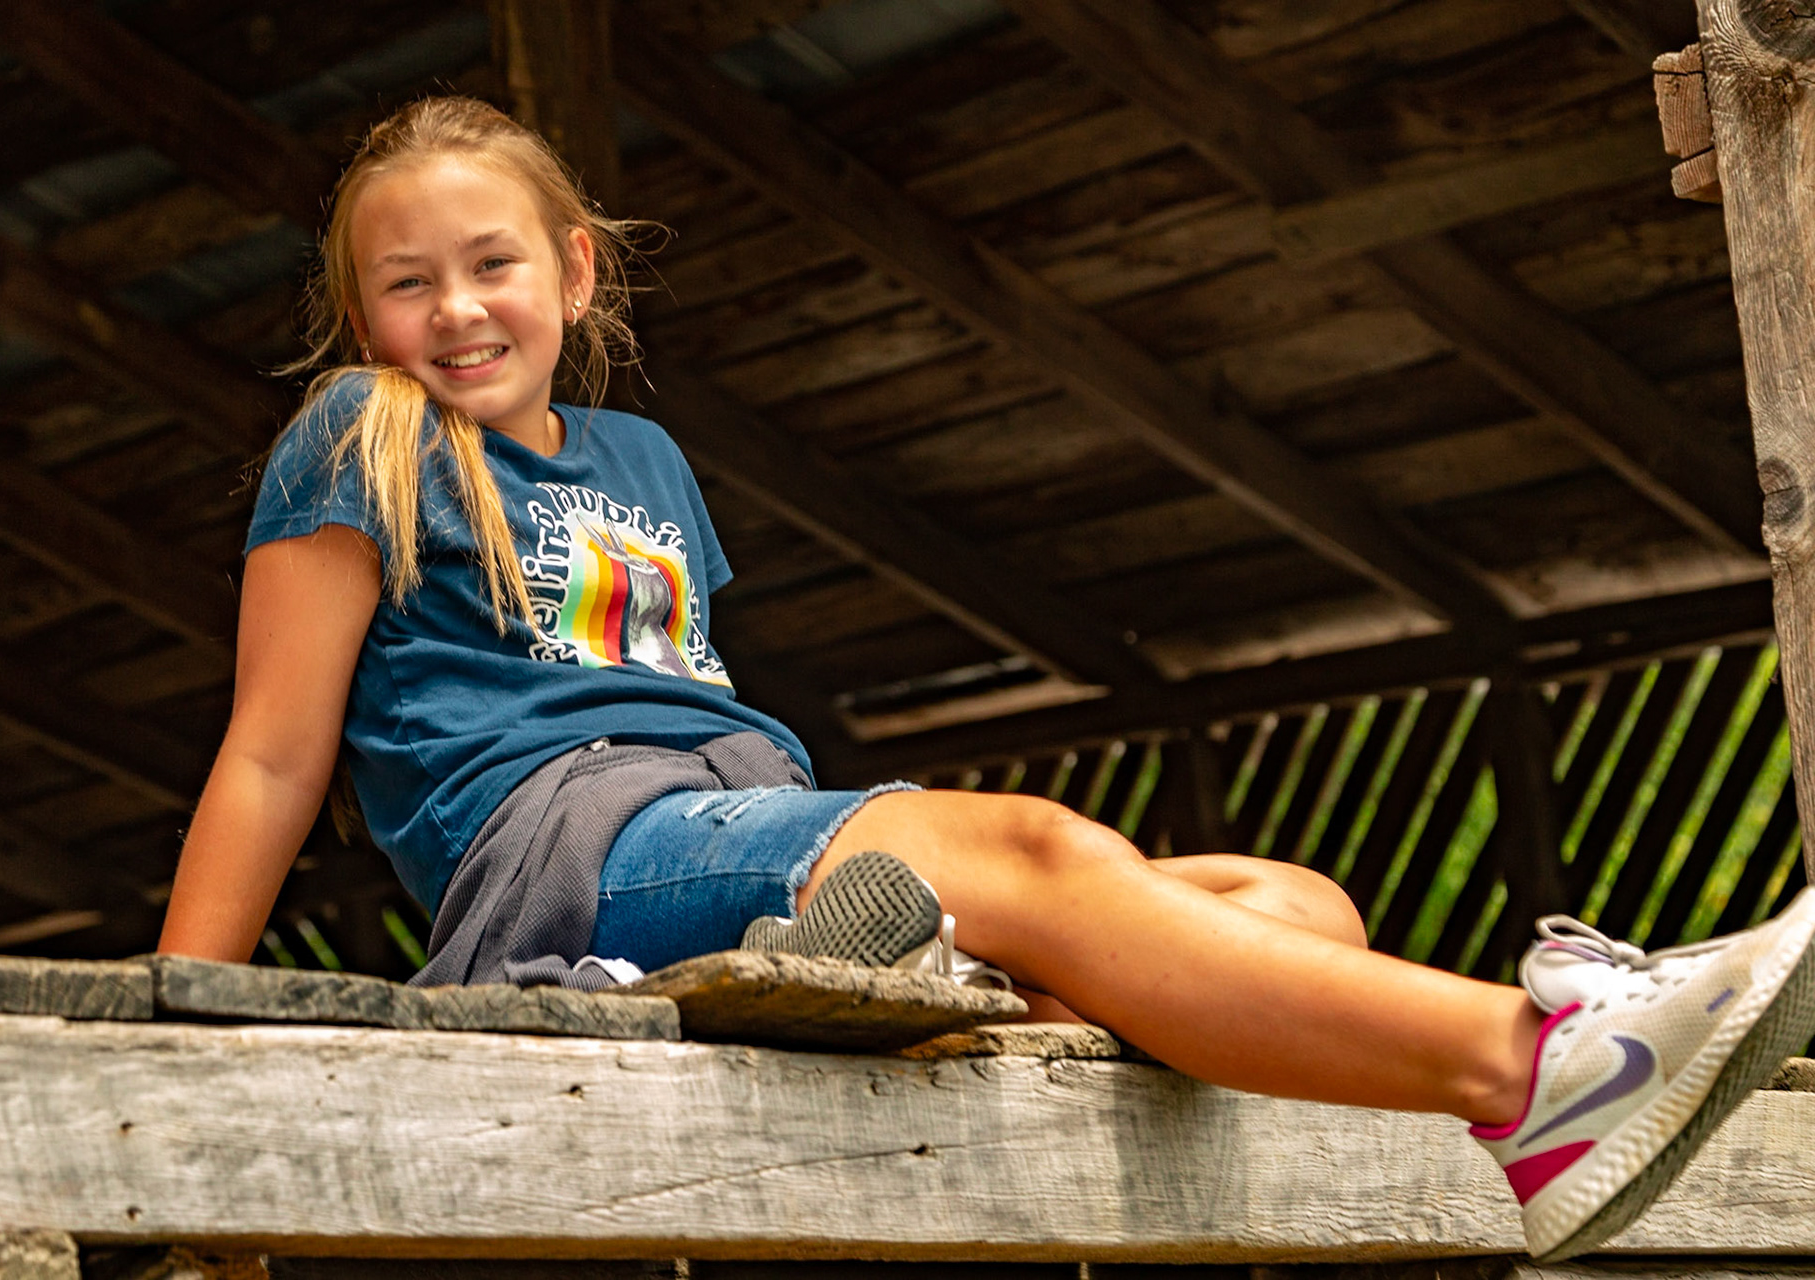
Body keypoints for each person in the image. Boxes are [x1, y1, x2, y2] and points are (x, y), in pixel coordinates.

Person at [156, 95, 1815, 1263]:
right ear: (357, 311)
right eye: (405, 279)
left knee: (1292, 906)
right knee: (1040, 855)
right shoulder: (357, 437)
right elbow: (272, 757)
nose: (456, 308)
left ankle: (895, 971)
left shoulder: (646, 457)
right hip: (575, 856)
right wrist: (179, 1036)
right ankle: (1531, 1085)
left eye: (492, 261)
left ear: (575, 271)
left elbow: (698, 688)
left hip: (744, 819)